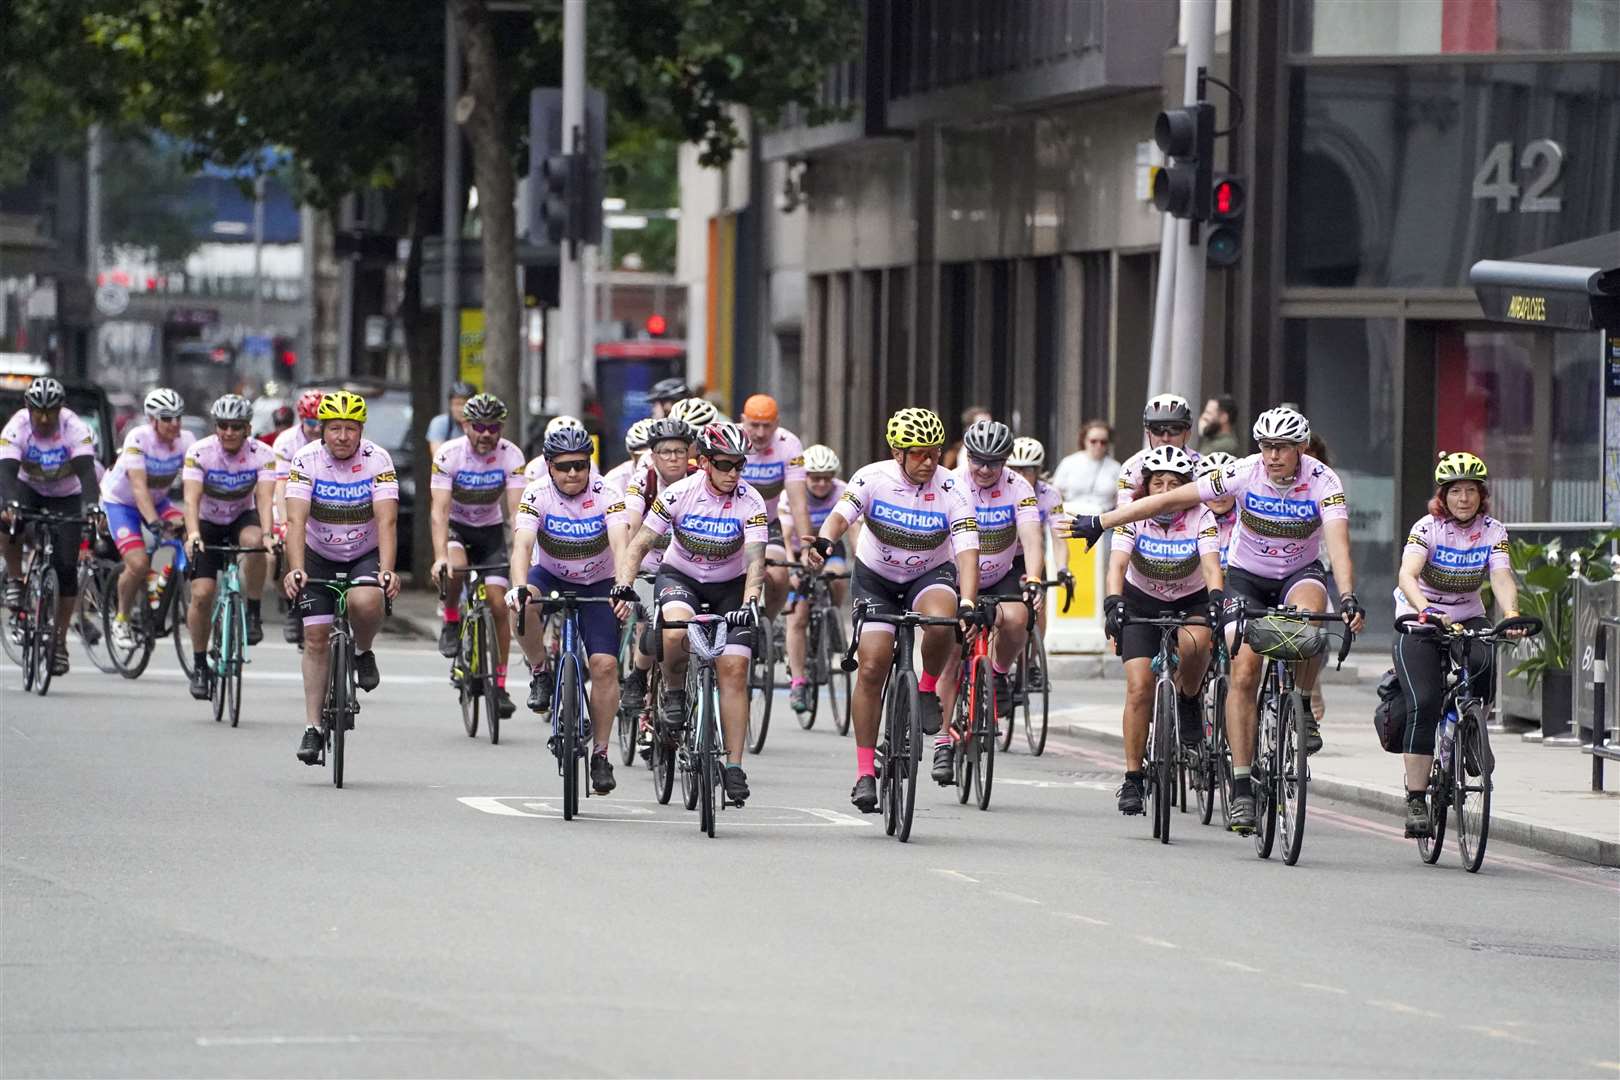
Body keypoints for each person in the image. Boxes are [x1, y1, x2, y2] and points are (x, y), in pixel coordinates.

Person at [1068, 406, 1365, 832]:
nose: (1272, 456)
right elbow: (1172, 498)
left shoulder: (1323, 482)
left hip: (1300, 572)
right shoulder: (1244, 472)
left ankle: (1300, 702)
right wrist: (1102, 521)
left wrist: (1350, 595)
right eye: (1266, 447)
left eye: (1281, 448)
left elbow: (1339, 545)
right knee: (1243, 671)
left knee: (1310, 617)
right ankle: (1242, 787)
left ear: (1300, 448)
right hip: (1246, 576)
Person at [800, 407, 980, 813]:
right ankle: (865, 772)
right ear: (898, 453)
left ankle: (927, 687)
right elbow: (840, 517)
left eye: (934, 453)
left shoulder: (953, 487)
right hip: (877, 578)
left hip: (928, 573)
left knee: (941, 620)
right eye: (919, 454)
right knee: (872, 664)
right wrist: (824, 544)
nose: (929, 461)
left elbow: (968, 551)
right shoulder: (872, 477)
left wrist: (968, 603)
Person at [612, 421, 767, 808]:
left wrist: (750, 601)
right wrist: (624, 585)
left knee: (734, 670)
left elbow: (755, 560)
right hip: (681, 577)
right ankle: (676, 693)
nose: (733, 473)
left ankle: (733, 766)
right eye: (724, 464)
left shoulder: (753, 502)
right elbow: (639, 545)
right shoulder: (680, 493)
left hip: (730, 587)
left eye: (739, 466)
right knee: (672, 630)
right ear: (705, 462)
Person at [1391, 452, 1521, 838]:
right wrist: (1426, 610)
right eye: (1456, 491)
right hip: (1420, 617)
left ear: (1482, 496)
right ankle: (1416, 798)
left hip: (1467, 614)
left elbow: (1500, 575)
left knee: (1485, 663)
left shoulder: (1494, 530)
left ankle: (1469, 733)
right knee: (1425, 702)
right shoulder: (1427, 528)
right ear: (1443, 496)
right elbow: (1407, 574)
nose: (1464, 498)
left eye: (1471, 491)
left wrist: (1511, 613)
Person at [1102, 445, 1223, 815]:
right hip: (1141, 602)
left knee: (1197, 643)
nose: (1167, 490)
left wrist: (1217, 597)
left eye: (1175, 483)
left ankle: (1188, 700)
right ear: (1146, 487)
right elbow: (1117, 564)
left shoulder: (1202, 515)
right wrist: (1113, 601)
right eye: (1159, 483)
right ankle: (1133, 779)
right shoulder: (1133, 516)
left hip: (1190, 601)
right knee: (1139, 688)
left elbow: (1211, 566)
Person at [282, 391, 401, 765]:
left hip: (362, 554)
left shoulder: (377, 460)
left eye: (351, 429)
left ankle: (363, 651)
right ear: (322, 430)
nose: (343, 437)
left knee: (365, 601)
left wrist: (386, 569)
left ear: (361, 430)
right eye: (335, 429)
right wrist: (296, 567)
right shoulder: (306, 460)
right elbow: (296, 520)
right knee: (315, 637)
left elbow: (387, 520)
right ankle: (313, 727)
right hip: (317, 555)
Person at [508, 424, 628, 796]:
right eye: (564, 467)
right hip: (552, 575)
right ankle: (541, 670)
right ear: (549, 466)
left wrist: (622, 587)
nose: (573, 473)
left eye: (580, 465)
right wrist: (517, 587)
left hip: (599, 581)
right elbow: (522, 546)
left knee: (605, 666)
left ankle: (602, 755)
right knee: (520, 603)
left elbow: (621, 543)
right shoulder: (536, 493)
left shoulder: (608, 492)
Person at [939, 419, 1046, 781]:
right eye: (978, 461)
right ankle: (942, 740)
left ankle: (998, 673)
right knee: (952, 652)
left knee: (1019, 619)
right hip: (956, 574)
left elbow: (1032, 537)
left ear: (1006, 461)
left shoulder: (1019, 487)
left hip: (1001, 571)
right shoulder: (950, 483)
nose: (985, 470)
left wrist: (1034, 580)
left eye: (994, 462)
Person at [428, 393, 527, 718]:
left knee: (499, 604)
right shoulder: (448, 454)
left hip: (489, 532)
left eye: (493, 427)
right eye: (480, 426)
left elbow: (516, 513)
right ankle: (452, 619)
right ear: (466, 425)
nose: (486, 433)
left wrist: (521, 554)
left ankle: (498, 686)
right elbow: (439, 512)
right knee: (456, 568)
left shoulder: (511, 455)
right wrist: (440, 555)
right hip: (457, 527)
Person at [0, 376, 102, 676]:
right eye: (38, 412)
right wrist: (7, 503)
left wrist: (92, 507)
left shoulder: (75, 428)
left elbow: (86, 473)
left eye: (51, 413)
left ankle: (58, 643)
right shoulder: (16, 427)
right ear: (28, 409)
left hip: (65, 495)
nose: (44, 419)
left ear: (61, 410)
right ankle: (16, 580)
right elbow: (6, 473)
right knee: (9, 521)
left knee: (67, 568)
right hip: (27, 489)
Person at [181, 394, 278, 699]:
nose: (229, 432)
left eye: (236, 426)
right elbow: (191, 499)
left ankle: (252, 611)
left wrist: (267, 534)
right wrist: (193, 534)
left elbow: (264, 499)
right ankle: (199, 665)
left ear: (248, 428)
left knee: (256, 545)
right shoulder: (200, 452)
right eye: (223, 426)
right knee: (202, 594)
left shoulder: (262, 453)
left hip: (240, 517)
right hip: (207, 522)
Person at [612, 417, 697, 727]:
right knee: (656, 622)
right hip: (648, 566)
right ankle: (638, 675)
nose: (673, 458)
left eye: (679, 451)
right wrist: (625, 579)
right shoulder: (643, 483)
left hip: (686, 569)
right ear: (653, 454)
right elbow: (632, 527)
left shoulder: (700, 478)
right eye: (665, 451)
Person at [101, 388, 194, 651]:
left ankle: (169, 593)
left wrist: (192, 520)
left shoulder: (186, 440)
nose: (174, 424)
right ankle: (121, 618)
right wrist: (154, 522)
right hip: (122, 503)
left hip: (158, 501)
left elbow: (193, 484)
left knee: (190, 534)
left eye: (178, 417)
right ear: (152, 420)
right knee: (139, 563)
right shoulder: (138, 438)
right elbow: (139, 488)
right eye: (167, 418)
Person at [784, 443, 856, 713]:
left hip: (828, 550)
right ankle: (799, 681)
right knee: (798, 616)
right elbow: (785, 529)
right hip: (797, 549)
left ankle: (831, 615)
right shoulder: (792, 492)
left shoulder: (842, 490)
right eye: (815, 477)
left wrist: (860, 556)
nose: (822, 483)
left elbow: (854, 528)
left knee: (837, 576)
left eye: (827, 477)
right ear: (805, 477)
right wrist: (793, 567)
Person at [738, 393, 811, 649]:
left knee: (779, 576)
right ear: (742, 421)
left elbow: (798, 503)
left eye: (766, 425)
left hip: (768, 523)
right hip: (733, 526)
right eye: (753, 425)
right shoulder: (732, 440)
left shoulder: (789, 445)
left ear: (777, 423)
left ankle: (765, 623)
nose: (759, 433)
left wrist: (806, 548)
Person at [1008, 436, 1073, 652]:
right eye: (1014, 469)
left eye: (1026, 470)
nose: (1020, 476)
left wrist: (1063, 568)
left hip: (1030, 558)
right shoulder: (1002, 490)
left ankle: (1034, 659)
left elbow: (1059, 537)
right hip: (1002, 558)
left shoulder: (1049, 494)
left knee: (1037, 608)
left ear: (1038, 470)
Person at [273, 389, 324, 644]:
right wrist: (284, 524)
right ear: (301, 420)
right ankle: (293, 606)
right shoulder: (286, 442)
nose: (316, 429)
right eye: (310, 423)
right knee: (284, 547)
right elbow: (281, 486)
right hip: (290, 499)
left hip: (323, 502)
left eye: (320, 422)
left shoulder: (335, 437)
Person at [1117, 395, 1198, 507]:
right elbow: (1123, 511)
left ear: (1188, 434)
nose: (1165, 438)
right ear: (1147, 433)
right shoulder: (1132, 467)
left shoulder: (1203, 466)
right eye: (1157, 430)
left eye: (1174, 429)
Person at [1051, 419, 1121, 515]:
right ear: (1084, 440)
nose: (1098, 445)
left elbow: (1121, 498)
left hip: (1103, 520)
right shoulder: (1069, 462)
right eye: (1093, 441)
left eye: (1103, 442)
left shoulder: (1116, 468)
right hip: (1072, 517)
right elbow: (1055, 493)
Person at [602, 418, 654, 501]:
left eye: (654, 454)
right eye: (642, 455)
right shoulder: (615, 480)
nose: (649, 460)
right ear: (632, 455)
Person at [426, 380, 476, 457]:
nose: (462, 409)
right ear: (450, 406)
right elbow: (438, 458)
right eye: (457, 404)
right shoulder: (440, 423)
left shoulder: (482, 425)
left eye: (467, 404)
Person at [942, 404, 992, 470]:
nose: (988, 430)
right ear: (969, 428)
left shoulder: (998, 450)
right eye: (982, 426)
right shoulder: (957, 453)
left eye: (990, 426)